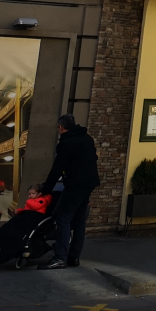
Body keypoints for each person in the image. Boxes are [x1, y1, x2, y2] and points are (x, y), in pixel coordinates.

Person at [39, 114, 100, 269]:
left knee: (63, 218)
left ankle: (60, 257)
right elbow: (94, 159)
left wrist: (46, 189)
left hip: (75, 185)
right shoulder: (87, 139)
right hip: (89, 183)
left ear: (61, 127)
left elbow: (57, 169)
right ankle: (74, 257)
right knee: (79, 221)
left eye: (58, 129)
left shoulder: (66, 143)